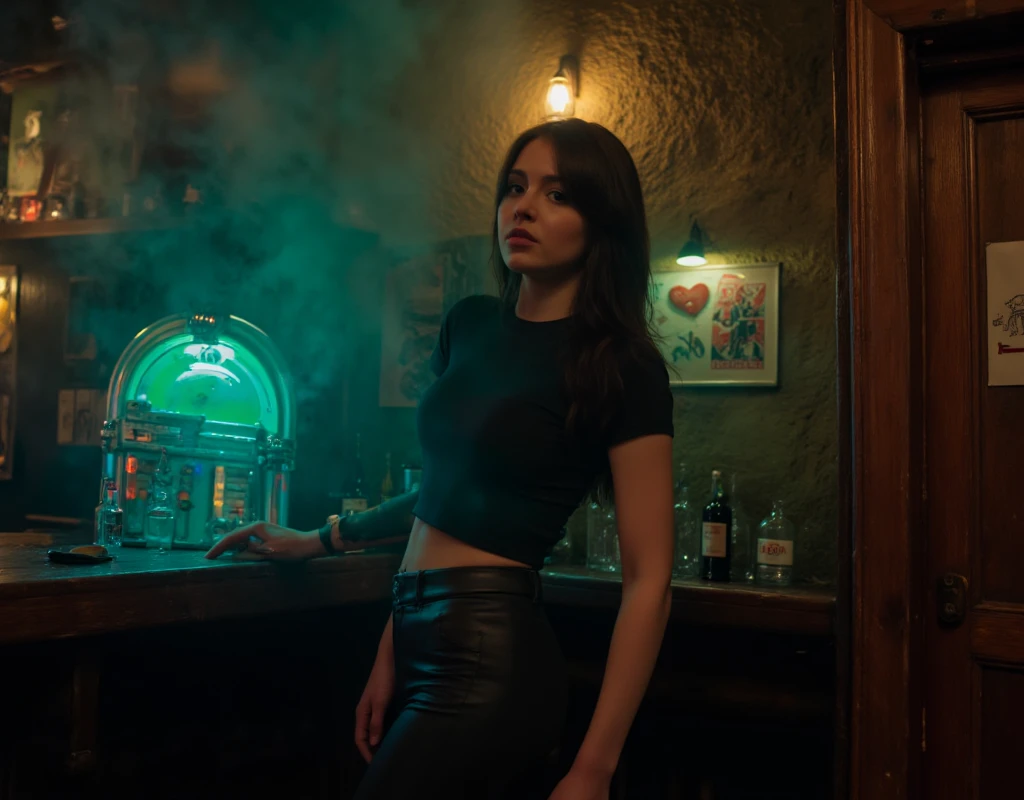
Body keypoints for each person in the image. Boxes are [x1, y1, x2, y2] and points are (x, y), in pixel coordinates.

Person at [206, 118, 675, 799]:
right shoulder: (471, 324)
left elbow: (649, 583)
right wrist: (346, 578)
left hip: (493, 656)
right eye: (515, 188)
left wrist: (594, 768)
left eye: (557, 194)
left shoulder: (620, 365)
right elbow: (442, 498)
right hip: (417, 631)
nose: (523, 207)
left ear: (602, 222)